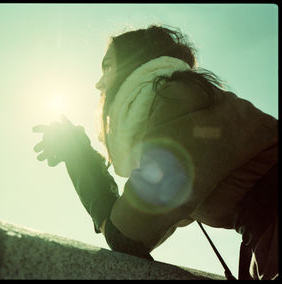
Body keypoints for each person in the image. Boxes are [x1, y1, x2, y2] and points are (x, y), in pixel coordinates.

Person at [33, 25, 278, 280]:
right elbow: (148, 217)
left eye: (107, 67)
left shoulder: (177, 100)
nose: (98, 84)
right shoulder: (186, 100)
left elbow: (126, 234)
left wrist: (78, 155)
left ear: (135, 65)